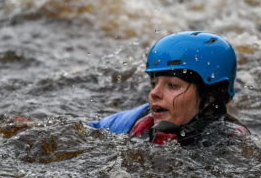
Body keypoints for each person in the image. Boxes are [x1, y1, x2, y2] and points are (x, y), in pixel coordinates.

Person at [89, 31, 250, 146]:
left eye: (172, 85)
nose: (154, 93)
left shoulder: (231, 141)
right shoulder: (138, 119)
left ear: (210, 97)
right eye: (154, 83)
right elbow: (86, 132)